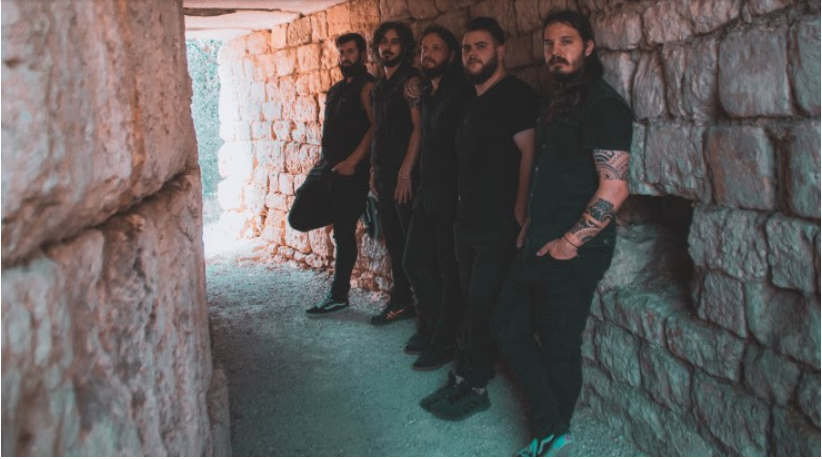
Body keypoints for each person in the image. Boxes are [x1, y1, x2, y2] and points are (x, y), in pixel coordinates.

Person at [491, 10, 633, 456]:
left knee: (558, 345)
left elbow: (615, 187)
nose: (555, 51)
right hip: (539, 238)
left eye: (566, 42)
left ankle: (552, 434)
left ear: (588, 47)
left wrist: (570, 243)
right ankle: (552, 423)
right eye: (549, 43)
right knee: (505, 326)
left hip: (574, 249)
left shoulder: (604, 105)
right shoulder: (557, 101)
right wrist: (529, 221)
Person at [420, 17, 538, 421]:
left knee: (482, 303)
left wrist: (521, 208)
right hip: (467, 222)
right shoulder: (472, 101)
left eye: (481, 47)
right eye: (467, 48)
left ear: (500, 50)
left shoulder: (516, 96)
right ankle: (464, 374)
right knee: (470, 301)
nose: (472, 54)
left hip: (498, 225)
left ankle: (476, 386)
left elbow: (530, 152)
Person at [401, 25, 474, 370]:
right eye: (424, 49)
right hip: (428, 192)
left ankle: (445, 340)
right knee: (414, 261)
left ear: (452, 56)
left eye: (436, 49)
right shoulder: (428, 90)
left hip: (451, 196)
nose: (427, 54)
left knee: (448, 271)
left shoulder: (462, 92)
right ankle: (433, 326)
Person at [288, 33, 376, 315]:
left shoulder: (368, 87)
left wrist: (353, 162)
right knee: (298, 217)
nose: (345, 58)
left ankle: (339, 295)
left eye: (350, 52)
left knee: (343, 234)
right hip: (325, 168)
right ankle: (354, 211)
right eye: (341, 53)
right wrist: (321, 162)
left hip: (350, 172)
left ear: (362, 54)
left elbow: (375, 128)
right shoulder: (337, 89)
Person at [368, 21, 423, 326]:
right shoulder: (379, 87)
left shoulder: (410, 82)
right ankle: (402, 300)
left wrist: (405, 172)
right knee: (394, 241)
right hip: (384, 174)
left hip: (405, 178)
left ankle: (421, 307)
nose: (388, 47)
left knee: (411, 246)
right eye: (384, 42)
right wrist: (373, 168)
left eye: (395, 42)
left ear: (405, 47)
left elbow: (418, 129)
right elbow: (378, 130)